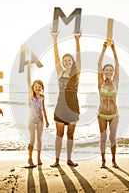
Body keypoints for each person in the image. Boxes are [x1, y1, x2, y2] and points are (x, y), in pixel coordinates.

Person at [50, 31, 81, 167]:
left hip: (73, 107)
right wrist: (55, 38)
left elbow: (79, 58)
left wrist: (77, 40)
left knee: (70, 135)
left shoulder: (76, 73)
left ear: (72, 62)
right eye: (65, 61)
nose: (67, 62)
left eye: (69, 60)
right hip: (61, 107)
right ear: (63, 63)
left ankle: (69, 159)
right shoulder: (60, 72)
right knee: (59, 134)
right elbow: (56, 56)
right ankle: (56, 160)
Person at [97, 41, 119, 168]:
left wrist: (114, 49)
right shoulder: (101, 82)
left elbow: (117, 64)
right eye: (107, 70)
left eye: (111, 70)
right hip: (102, 114)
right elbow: (99, 63)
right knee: (103, 137)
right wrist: (104, 49)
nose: (109, 71)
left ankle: (114, 160)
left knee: (112, 138)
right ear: (104, 72)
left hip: (114, 114)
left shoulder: (116, 81)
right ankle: (103, 161)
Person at [26, 60, 49, 168]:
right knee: (32, 139)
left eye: (39, 86)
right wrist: (29, 69)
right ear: (33, 87)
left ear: (42, 88)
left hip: (40, 119)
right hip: (31, 119)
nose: (37, 87)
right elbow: (28, 81)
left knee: (39, 139)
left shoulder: (42, 97)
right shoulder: (31, 96)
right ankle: (30, 158)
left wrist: (47, 121)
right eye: (36, 86)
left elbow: (43, 109)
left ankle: (39, 158)